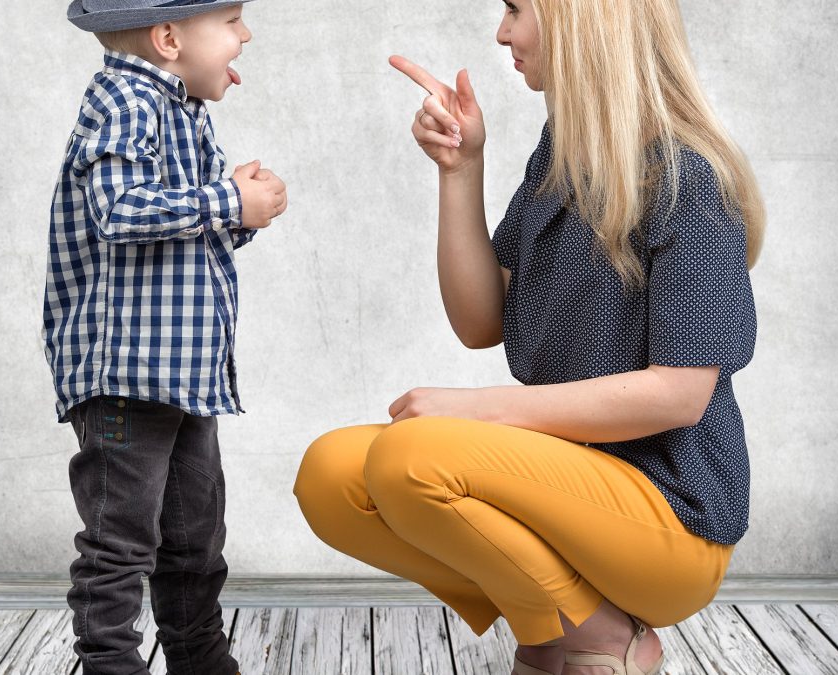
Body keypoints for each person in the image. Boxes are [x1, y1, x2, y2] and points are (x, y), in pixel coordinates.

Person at [293, 0, 764, 673]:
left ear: (581, 21)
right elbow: (481, 319)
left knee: (412, 459)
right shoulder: (560, 156)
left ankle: (602, 637)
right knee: (331, 475)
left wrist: (474, 408)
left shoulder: (689, 178)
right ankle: (568, 625)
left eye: (516, 9)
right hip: (563, 485)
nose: (502, 32)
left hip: (670, 518)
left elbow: (680, 394)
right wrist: (460, 169)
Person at [42, 1, 286, 673]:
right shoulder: (125, 99)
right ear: (168, 37)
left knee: (194, 539)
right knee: (119, 540)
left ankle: (199, 656)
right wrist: (229, 201)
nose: (245, 35)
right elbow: (118, 209)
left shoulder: (182, 111)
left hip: (182, 375)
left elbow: (185, 233)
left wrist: (242, 208)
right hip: (126, 373)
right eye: (231, 20)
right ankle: (111, 662)